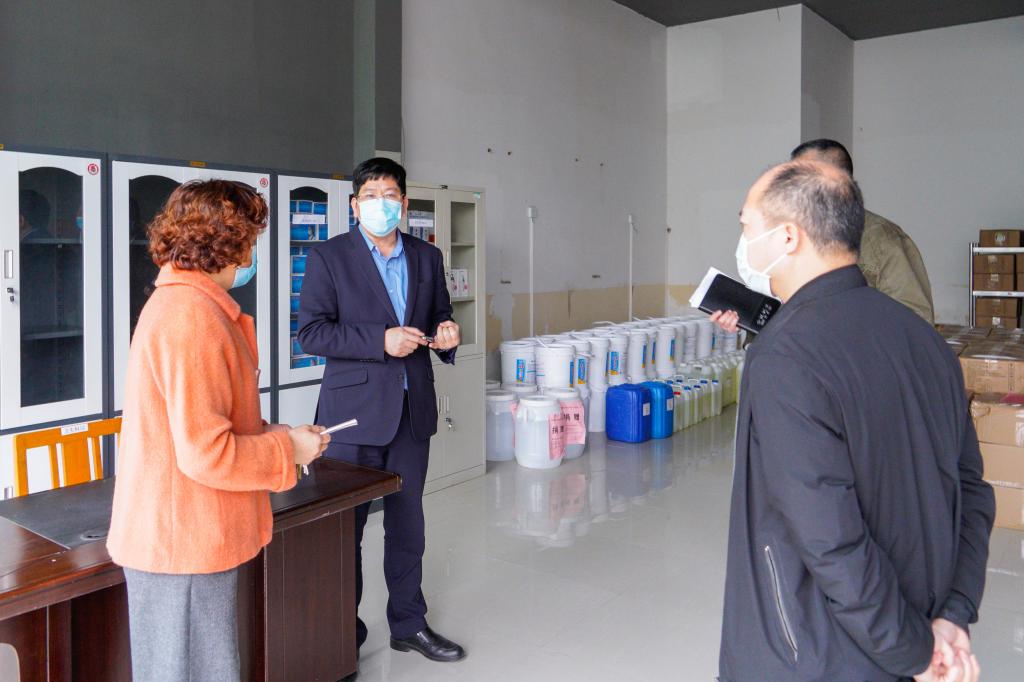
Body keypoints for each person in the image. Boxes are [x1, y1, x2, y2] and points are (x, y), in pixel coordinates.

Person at [718, 160, 993, 681]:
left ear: (789, 237)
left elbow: (828, 537)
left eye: (746, 227)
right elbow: (972, 492)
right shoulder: (925, 340)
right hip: (918, 617)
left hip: (814, 655)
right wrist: (952, 615)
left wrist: (913, 652)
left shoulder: (785, 355)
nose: (744, 243)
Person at [107, 180, 330, 682]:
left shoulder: (189, 306)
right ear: (229, 243)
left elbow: (212, 422)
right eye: (251, 238)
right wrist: (287, 450)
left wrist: (282, 437)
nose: (252, 253)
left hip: (187, 533)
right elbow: (206, 453)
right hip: (181, 541)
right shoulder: (190, 317)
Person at [297, 158, 466, 663]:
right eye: (370, 195)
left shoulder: (426, 256)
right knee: (345, 530)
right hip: (352, 416)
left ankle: (409, 625)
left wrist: (447, 335)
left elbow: (439, 315)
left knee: (408, 526)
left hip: (412, 412)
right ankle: (340, 633)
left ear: (404, 203)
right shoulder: (330, 256)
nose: (380, 203)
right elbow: (312, 333)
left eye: (389, 194)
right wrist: (380, 340)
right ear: (355, 205)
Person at [792, 138, 934, 322]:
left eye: (806, 180)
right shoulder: (785, 235)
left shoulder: (884, 240)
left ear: (842, 185)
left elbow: (915, 323)